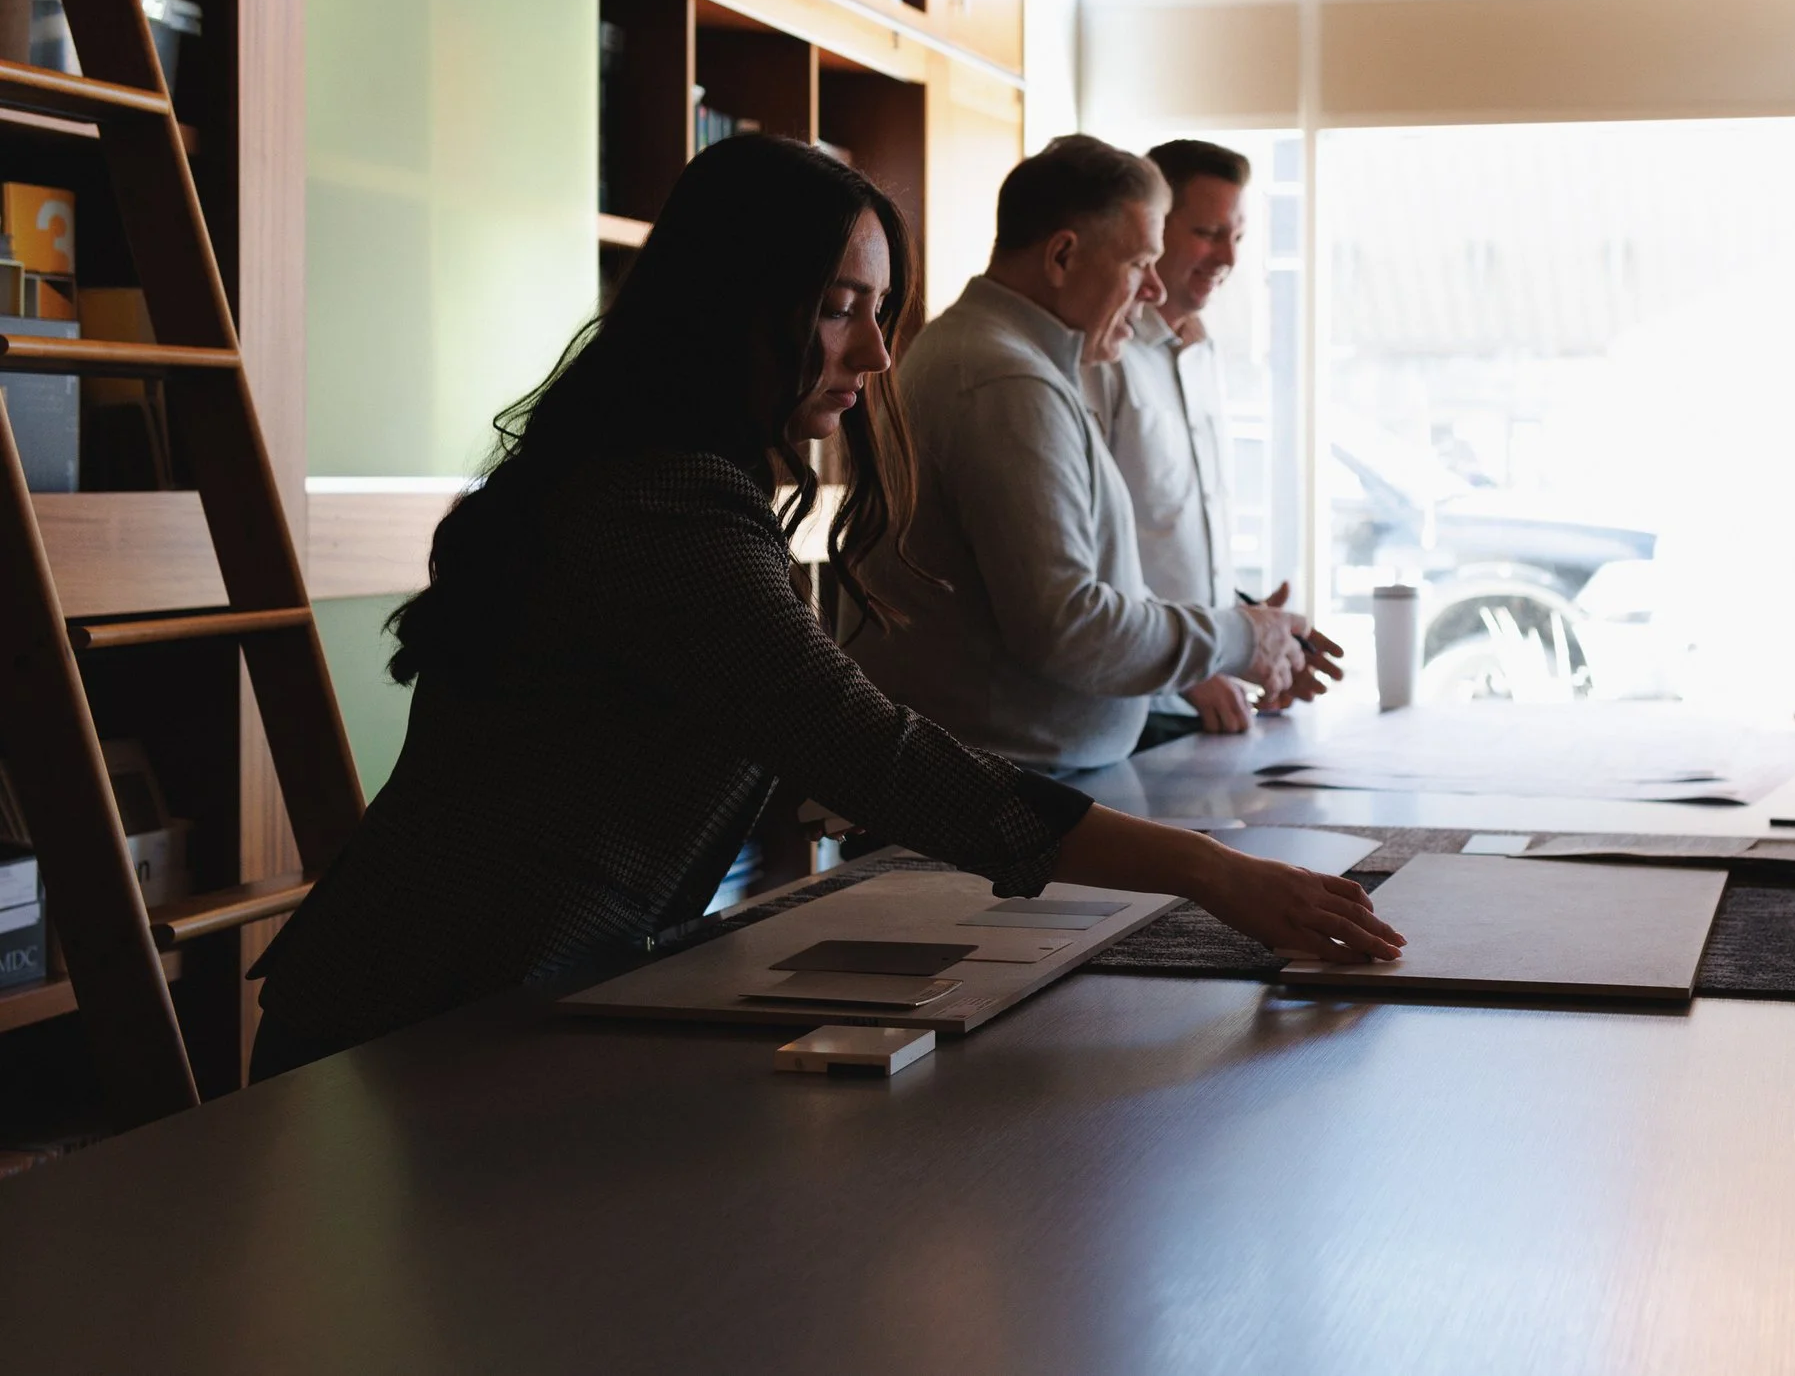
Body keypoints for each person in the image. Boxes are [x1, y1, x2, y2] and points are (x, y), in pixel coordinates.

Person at [247, 136, 1399, 1079]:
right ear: (737, 304)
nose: (879, 354)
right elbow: (865, 746)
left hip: (490, 984)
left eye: (880, 308)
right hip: (427, 1011)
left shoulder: (664, 468)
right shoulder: (664, 505)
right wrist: (1209, 869)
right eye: (843, 308)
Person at [841, 135, 1318, 772]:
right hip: (1000, 792)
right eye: (1138, 263)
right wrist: (1237, 638)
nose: (1152, 290)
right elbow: (1067, 625)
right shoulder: (1007, 381)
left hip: (1011, 779)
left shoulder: (1005, 358)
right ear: (1063, 255)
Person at [1084, 139, 1337, 747]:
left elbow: (1172, 537)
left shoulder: (1202, 352)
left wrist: (1259, 631)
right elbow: (1088, 552)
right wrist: (1196, 670)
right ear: (1151, 229)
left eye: (1238, 237)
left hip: (1202, 697)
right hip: (1130, 707)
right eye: (1207, 232)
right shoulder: (1100, 357)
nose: (1227, 255)